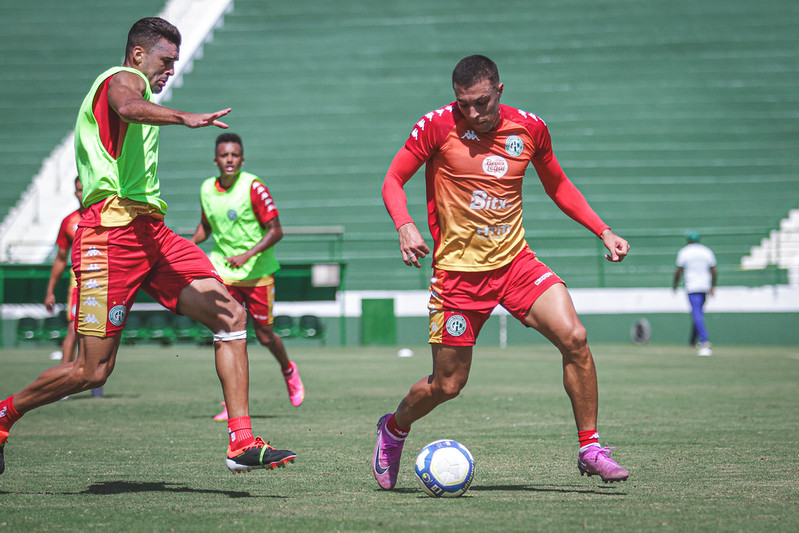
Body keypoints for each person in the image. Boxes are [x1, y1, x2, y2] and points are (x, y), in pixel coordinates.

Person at [0, 17, 295, 476]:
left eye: (175, 62)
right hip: (110, 235)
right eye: (166, 60)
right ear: (139, 54)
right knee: (92, 371)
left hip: (151, 232)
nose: (170, 70)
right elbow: (126, 104)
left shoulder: (143, 87)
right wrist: (183, 117)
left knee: (231, 315)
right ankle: (3, 417)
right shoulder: (123, 79)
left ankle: (241, 441)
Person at [373, 55, 631, 489]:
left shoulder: (530, 128)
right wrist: (404, 225)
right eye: (464, 104)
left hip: (515, 264)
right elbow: (392, 180)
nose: (472, 112)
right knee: (447, 385)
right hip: (457, 276)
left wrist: (602, 230)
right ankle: (393, 429)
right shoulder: (436, 125)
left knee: (576, 338)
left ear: (500, 90)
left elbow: (559, 185)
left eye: (481, 102)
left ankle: (590, 447)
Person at [192, 133, 305, 421]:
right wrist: (189, 248)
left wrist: (246, 255)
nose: (229, 160)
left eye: (234, 155)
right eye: (224, 155)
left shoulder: (253, 187)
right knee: (228, 336)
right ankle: (232, 405)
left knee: (265, 336)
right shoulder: (206, 189)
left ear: (242, 159)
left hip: (257, 274)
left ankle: (288, 371)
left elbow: (276, 231)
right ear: (215, 159)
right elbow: (207, 226)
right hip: (224, 273)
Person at [43, 177, 103, 397]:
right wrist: (50, 291)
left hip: (104, 282)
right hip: (79, 284)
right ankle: (63, 384)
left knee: (100, 332)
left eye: (84, 189)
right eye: (78, 190)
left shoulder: (106, 217)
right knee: (73, 330)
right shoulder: (68, 222)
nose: (81, 193)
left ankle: (96, 381)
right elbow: (60, 258)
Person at [673, 232, 717, 356]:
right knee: (698, 312)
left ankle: (704, 339)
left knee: (696, 313)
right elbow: (713, 270)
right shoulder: (706, 251)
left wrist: (675, 285)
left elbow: (678, 270)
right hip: (705, 286)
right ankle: (693, 340)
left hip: (692, 286)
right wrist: (713, 286)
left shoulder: (684, 252)